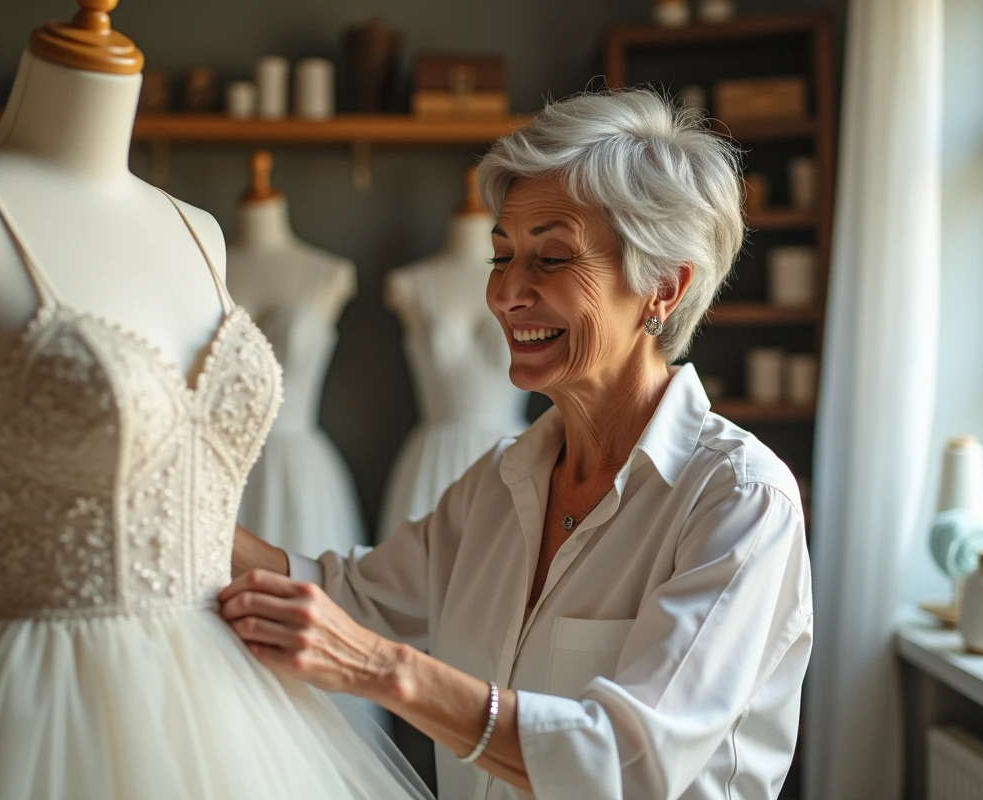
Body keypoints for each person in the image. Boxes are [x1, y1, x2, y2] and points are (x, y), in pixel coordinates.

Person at [222, 89, 814, 800]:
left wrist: (385, 670)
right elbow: (347, 594)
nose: (506, 293)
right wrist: (166, 509)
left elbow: (629, 763)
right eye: (502, 256)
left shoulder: (739, 503)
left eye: (553, 258)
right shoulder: (499, 483)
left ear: (663, 285)